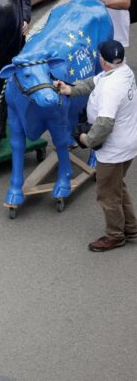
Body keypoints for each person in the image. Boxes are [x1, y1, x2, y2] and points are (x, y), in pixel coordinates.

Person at [54, 40, 137, 252]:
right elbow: (92, 82)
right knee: (118, 186)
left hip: (114, 150)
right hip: (127, 144)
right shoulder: (122, 70)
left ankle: (115, 235)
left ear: (103, 60)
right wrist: (69, 89)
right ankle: (131, 227)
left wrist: (86, 140)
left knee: (107, 193)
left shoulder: (111, 88)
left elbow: (104, 124)